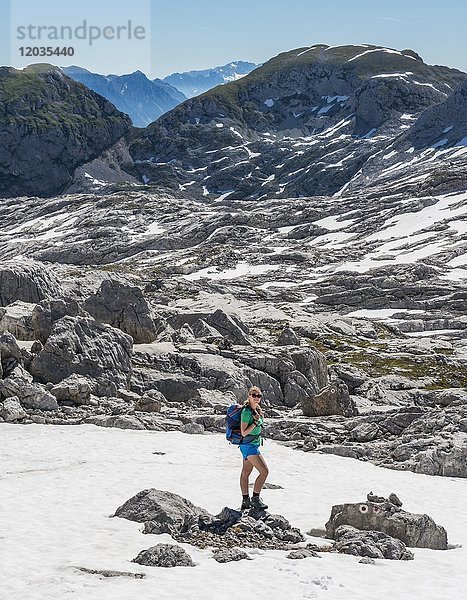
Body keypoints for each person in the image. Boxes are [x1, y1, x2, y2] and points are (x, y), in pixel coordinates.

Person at [239, 386, 269, 510]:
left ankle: (245, 501)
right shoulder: (246, 412)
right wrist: (255, 423)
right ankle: (255, 499)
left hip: (250, 444)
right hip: (249, 446)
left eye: (259, 395)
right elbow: (243, 432)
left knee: (246, 472)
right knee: (264, 471)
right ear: (249, 396)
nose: (256, 398)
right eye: (254, 395)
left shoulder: (256, 409)